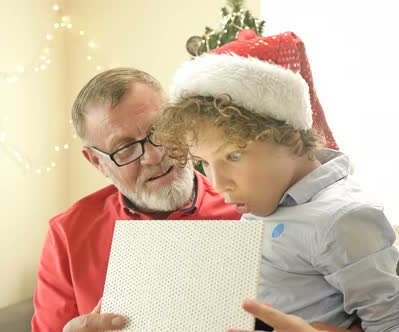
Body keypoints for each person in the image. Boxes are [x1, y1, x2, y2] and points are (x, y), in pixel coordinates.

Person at [153, 31, 399, 332]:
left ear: (291, 136)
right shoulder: (264, 199)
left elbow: (397, 325)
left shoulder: (343, 218)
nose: (218, 184)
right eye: (204, 162)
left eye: (233, 156)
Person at [31, 68, 241, 332]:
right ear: (98, 162)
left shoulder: (247, 211)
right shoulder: (67, 234)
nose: (154, 155)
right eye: (126, 147)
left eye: (162, 129)